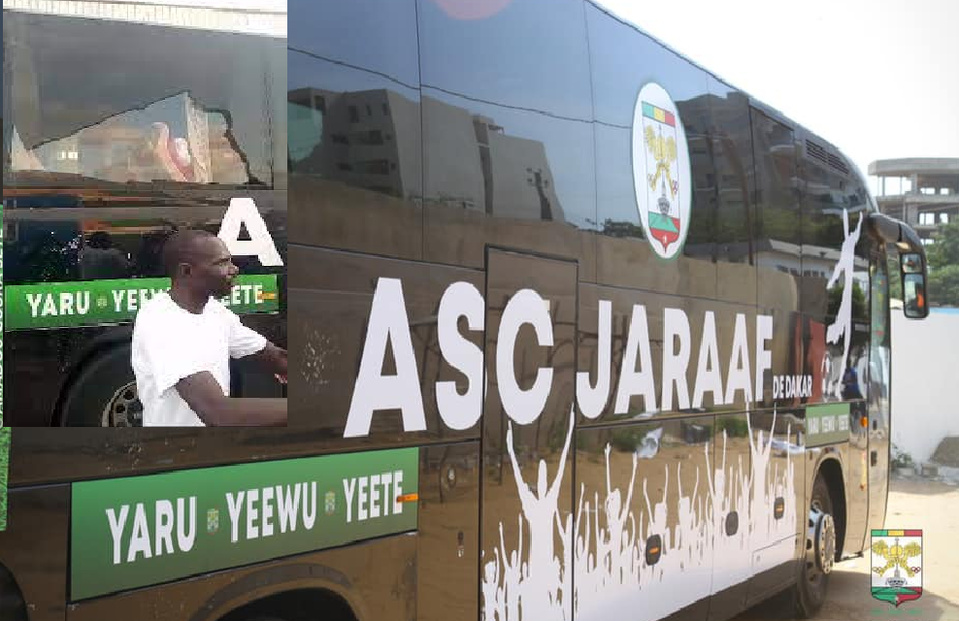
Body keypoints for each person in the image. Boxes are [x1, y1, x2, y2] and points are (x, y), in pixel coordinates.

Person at [132, 229, 287, 426]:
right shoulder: (162, 321)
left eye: (230, 261)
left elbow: (275, 357)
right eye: (222, 263)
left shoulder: (215, 311)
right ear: (186, 271)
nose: (234, 269)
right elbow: (218, 413)